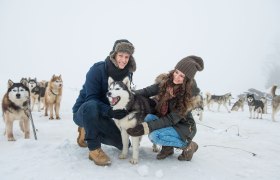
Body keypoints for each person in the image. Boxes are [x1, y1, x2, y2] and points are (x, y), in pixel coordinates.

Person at [72, 39, 136, 166]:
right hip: (85, 111)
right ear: (114, 54)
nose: (123, 60)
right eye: (120, 56)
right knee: (92, 105)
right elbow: (91, 99)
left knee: (124, 144)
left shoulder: (127, 74)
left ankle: (88, 130)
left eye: (127, 57)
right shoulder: (97, 70)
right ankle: (94, 148)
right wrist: (110, 111)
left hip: (104, 114)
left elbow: (125, 96)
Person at [127, 55, 204, 161]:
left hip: (183, 128)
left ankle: (189, 146)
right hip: (170, 123)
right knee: (149, 117)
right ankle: (168, 148)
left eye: (182, 76)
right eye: (176, 72)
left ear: (187, 80)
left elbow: (170, 119)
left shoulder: (187, 98)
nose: (177, 77)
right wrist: (128, 94)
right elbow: (147, 91)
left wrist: (144, 128)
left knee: (155, 136)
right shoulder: (166, 83)